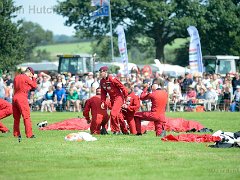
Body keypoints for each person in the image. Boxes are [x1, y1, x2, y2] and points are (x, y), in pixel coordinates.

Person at [99, 66, 128, 135]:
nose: (100, 73)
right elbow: (103, 93)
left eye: (101, 72)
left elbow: (123, 88)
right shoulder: (102, 81)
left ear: (105, 72)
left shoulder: (112, 79)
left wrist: (125, 99)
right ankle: (125, 131)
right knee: (119, 116)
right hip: (112, 99)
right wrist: (103, 101)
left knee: (113, 113)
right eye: (100, 72)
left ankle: (116, 130)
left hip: (118, 98)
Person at [12, 67, 37, 138]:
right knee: (26, 116)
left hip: (15, 97)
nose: (31, 76)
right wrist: (34, 78)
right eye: (31, 75)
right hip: (22, 98)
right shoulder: (26, 78)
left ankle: (16, 134)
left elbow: (20, 87)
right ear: (29, 72)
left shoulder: (16, 77)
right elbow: (34, 86)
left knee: (16, 118)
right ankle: (29, 134)